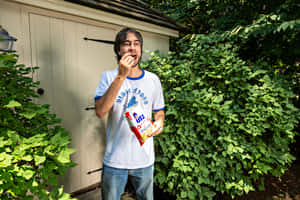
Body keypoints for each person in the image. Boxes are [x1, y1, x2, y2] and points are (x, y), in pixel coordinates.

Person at [94, 27, 165, 200]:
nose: (132, 48)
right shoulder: (108, 77)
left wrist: (159, 123)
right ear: (119, 50)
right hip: (115, 160)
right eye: (127, 44)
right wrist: (121, 76)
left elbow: (159, 111)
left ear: (140, 49)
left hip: (145, 159)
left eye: (136, 44)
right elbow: (100, 111)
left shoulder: (152, 79)